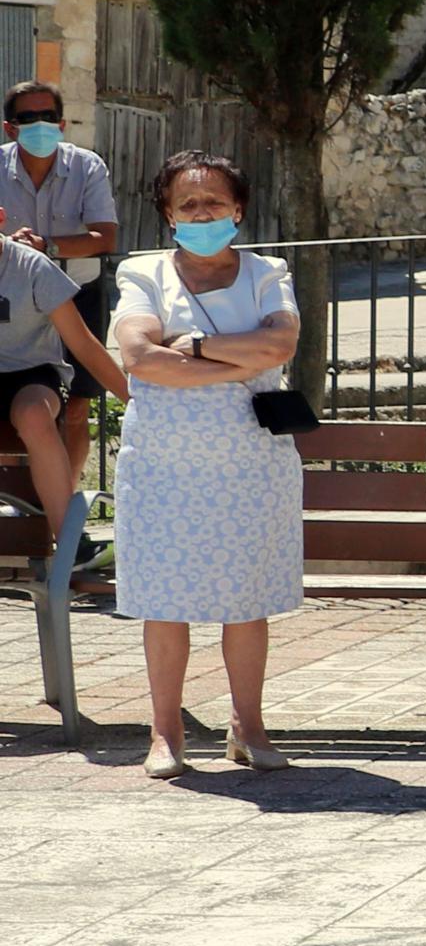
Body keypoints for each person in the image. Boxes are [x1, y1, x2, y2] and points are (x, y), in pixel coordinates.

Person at [106, 154, 306, 778]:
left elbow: (281, 344)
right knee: (165, 601)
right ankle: (165, 732)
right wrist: (238, 362)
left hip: (250, 463)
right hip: (165, 464)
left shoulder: (268, 272)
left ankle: (249, 726)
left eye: (213, 202)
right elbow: (138, 356)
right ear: (167, 215)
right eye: (187, 204)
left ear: (238, 209)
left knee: (247, 601)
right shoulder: (142, 273)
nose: (201, 213)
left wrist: (191, 346)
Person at [2, 80, 123, 515]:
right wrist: (9, 244)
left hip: (79, 292)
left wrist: (44, 247)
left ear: (62, 123)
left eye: (47, 117)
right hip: (14, 302)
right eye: (28, 119)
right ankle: (27, 510)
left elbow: (104, 237)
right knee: (25, 413)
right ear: (10, 128)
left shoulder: (87, 166)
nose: (40, 125)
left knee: (76, 410)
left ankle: (64, 519)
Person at [0, 211, 123, 549]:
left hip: (31, 373)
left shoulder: (31, 266)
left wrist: (132, 397)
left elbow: (82, 342)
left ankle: (70, 542)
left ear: (0, 219)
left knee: (35, 415)